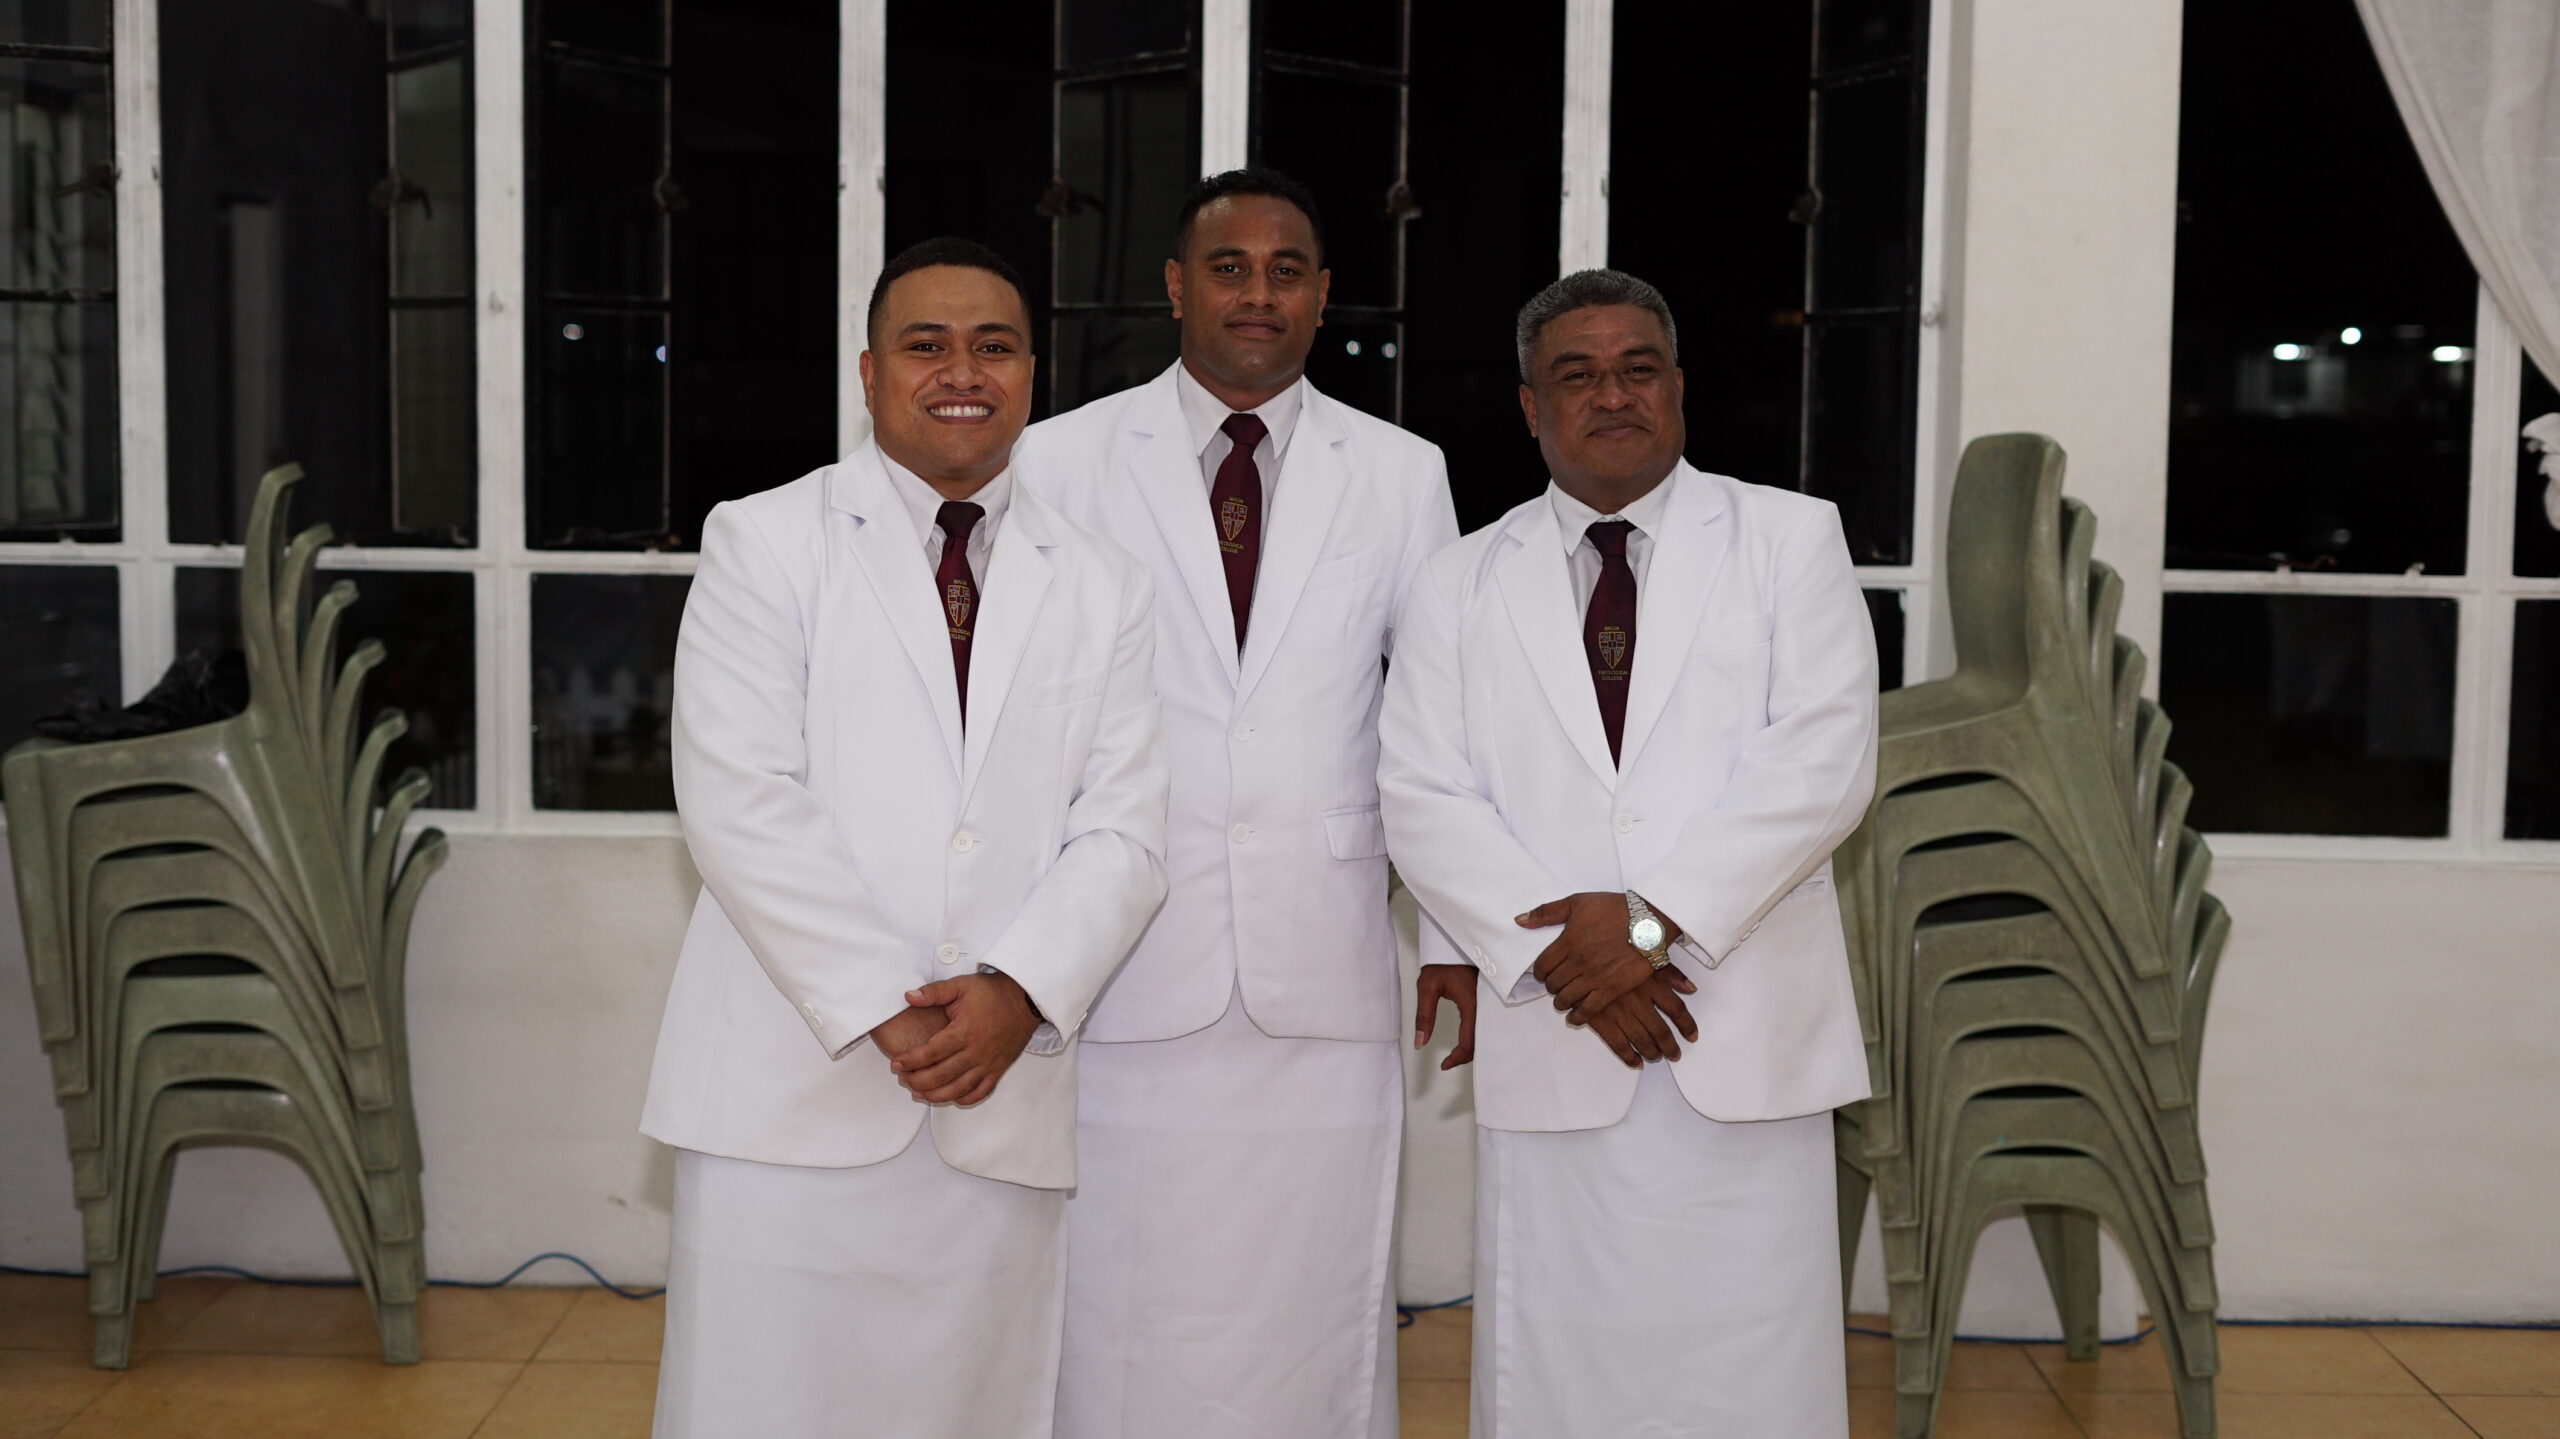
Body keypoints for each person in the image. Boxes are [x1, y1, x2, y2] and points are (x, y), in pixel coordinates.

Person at [641, 237, 1169, 1439]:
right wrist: (892, 1005)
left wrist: (1017, 991)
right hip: (794, 1081)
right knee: (762, 1405)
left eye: (994, 346)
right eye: (926, 345)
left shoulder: (1103, 582)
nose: (961, 371)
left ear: (1031, 374)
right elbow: (738, 798)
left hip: (997, 1084)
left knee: (969, 1405)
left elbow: (1126, 829)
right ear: (870, 372)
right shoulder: (764, 540)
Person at [1381, 268, 1879, 1437]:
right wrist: (1576, 961)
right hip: (1559, 1022)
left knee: (1750, 1361)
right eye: (1577, 374)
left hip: (1736, 1020)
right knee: (1560, 1358)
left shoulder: (1787, 538)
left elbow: (1824, 761)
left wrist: (1648, 924)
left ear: (1678, 387)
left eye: (1636, 368)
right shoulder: (1457, 580)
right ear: (1530, 407)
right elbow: (1421, 793)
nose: (1611, 394)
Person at [1013, 167, 1459, 1439]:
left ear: (1322, 295)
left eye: (1285, 270)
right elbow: (1023, 714)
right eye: (1227, 267)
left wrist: (1453, 931)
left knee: (1313, 1289)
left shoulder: (1402, 472)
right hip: (1125, 953)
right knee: (1118, 1294)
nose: (1257, 293)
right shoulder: (1060, 460)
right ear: (1175, 286)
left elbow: (1442, 722)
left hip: (1322, 947)